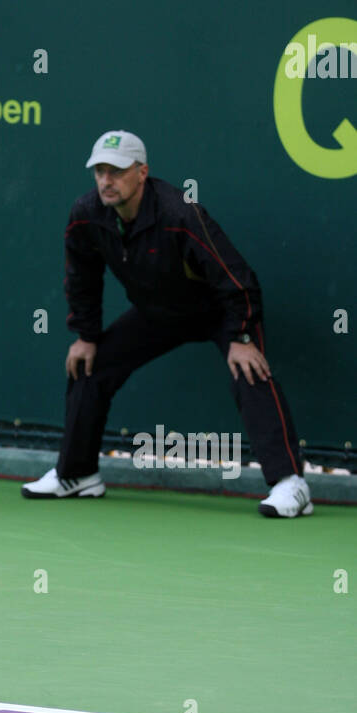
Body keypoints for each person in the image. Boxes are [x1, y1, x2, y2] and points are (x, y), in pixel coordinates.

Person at [22, 130, 312, 518]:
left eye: (117, 171)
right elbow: (81, 275)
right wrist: (86, 335)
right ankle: (77, 475)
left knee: (249, 369)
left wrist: (241, 335)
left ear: (142, 172)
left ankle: (290, 483)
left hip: (217, 311)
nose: (106, 180)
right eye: (100, 171)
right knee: (88, 366)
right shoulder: (87, 214)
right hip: (157, 312)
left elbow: (237, 276)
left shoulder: (181, 213)